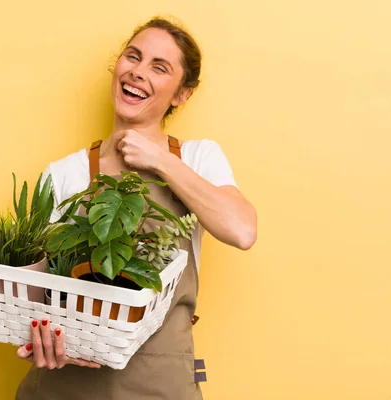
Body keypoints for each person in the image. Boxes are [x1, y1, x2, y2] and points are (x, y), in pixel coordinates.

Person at [15, 16, 257, 399]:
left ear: (181, 94)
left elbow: (242, 230)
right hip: (64, 384)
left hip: (160, 384)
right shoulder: (64, 173)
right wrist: (37, 336)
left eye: (159, 68)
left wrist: (160, 161)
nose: (138, 72)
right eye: (134, 57)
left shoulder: (197, 158)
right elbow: (32, 291)